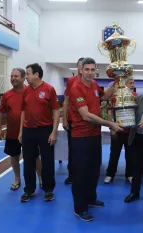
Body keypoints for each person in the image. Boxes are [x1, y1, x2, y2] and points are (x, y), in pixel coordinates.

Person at [68, 57, 122, 221]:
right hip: (80, 137)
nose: (90, 73)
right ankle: (80, 207)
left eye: (93, 70)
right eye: (87, 69)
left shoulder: (94, 85)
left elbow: (103, 97)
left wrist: (117, 81)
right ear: (81, 70)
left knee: (93, 170)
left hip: (94, 135)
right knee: (80, 174)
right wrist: (109, 123)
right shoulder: (75, 87)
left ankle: (90, 199)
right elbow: (86, 116)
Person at [18, 63, 60, 202]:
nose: (26, 77)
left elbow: (56, 111)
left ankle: (48, 190)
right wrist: (21, 131)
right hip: (28, 131)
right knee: (28, 162)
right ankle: (29, 190)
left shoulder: (49, 89)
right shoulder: (25, 90)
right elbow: (23, 111)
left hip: (45, 130)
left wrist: (54, 132)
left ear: (36, 75)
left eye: (28, 74)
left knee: (47, 162)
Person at [0, 68, 42, 191]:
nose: (13, 78)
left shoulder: (31, 91)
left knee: (35, 157)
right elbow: (0, 112)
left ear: (23, 78)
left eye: (16, 76)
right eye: (11, 76)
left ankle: (41, 179)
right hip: (12, 133)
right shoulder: (7, 95)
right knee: (14, 156)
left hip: (29, 132)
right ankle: (17, 179)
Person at [104, 77, 136, 184]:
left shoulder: (134, 96)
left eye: (133, 83)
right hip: (117, 130)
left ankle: (130, 174)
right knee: (114, 154)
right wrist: (111, 127)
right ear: (124, 84)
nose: (132, 85)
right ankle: (110, 174)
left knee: (130, 154)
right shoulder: (114, 97)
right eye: (130, 83)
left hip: (130, 131)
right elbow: (109, 113)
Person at [62, 57, 84, 185]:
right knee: (73, 149)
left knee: (85, 149)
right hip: (73, 121)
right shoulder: (71, 81)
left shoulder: (90, 81)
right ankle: (72, 174)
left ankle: (85, 173)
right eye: (80, 65)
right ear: (77, 66)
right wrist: (64, 119)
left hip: (87, 121)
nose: (82, 68)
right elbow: (66, 101)